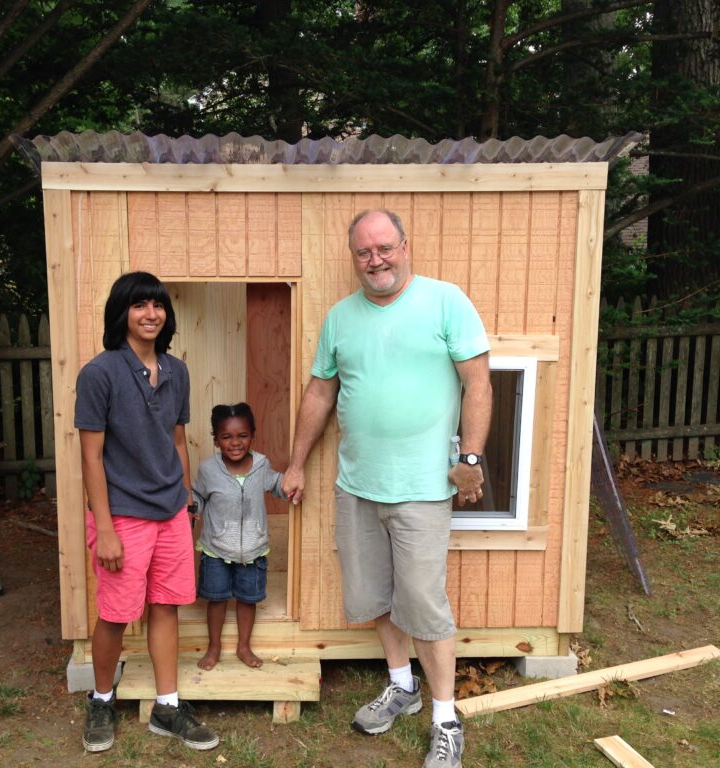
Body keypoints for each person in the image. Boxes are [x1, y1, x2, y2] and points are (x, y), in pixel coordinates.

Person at [281, 210, 492, 768]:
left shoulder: (446, 302)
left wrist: (469, 457)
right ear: (354, 257)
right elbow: (320, 394)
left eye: (384, 248)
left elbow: (478, 384)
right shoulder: (340, 318)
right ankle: (403, 686)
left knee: (423, 603)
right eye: (364, 252)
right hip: (357, 486)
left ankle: (446, 719)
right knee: (374, 595)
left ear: (405, 245)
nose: (375, 260)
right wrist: (296, 463)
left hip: (423, 487)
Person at [74, 271, 219, 753]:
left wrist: (186, 498)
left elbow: (177, 440)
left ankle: (167, 706)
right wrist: (107, 529)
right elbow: (91, 457)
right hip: (123, 515)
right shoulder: (100, 373)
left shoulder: (177, 372)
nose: (150, 314)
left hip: (170, 512)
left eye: (157, 305)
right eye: (139, 305)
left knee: (165, 606)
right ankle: (100, 700)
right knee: (116, 614)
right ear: (123, 313)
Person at [192, 402, 288, 670]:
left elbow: (277, 483)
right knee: (217, 598)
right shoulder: (209, 469)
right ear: (216, 440)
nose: (235, 443)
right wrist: (193, 508)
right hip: (216, 549)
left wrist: (291, 484)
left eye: (242, 435)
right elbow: (198, 494)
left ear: (252, 435)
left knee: (248, 600)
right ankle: (214, 647)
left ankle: (244, 647)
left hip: (254, 550)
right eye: (227, 437)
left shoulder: (261, 465)